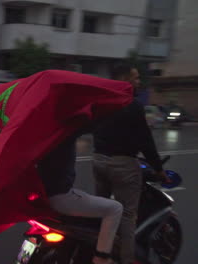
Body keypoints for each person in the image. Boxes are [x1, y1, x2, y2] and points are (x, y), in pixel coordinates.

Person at [92, 64, 168, 264]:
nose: (139, 81)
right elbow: (146, 141)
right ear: (124, 79)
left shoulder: (101, 101)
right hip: (123, 165)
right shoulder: (132, 105)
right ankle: (127, 259)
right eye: (135, 78)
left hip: (99, 161)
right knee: (127, 215)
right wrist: (159, 169)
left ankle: (97, 250)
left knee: (103, 209)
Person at [38, 133, 123, 264]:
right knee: (115, 208)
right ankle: (101, 257)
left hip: (42, 198)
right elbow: (86, 126)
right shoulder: (64, 136)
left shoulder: (43, 139)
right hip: (61, 197)